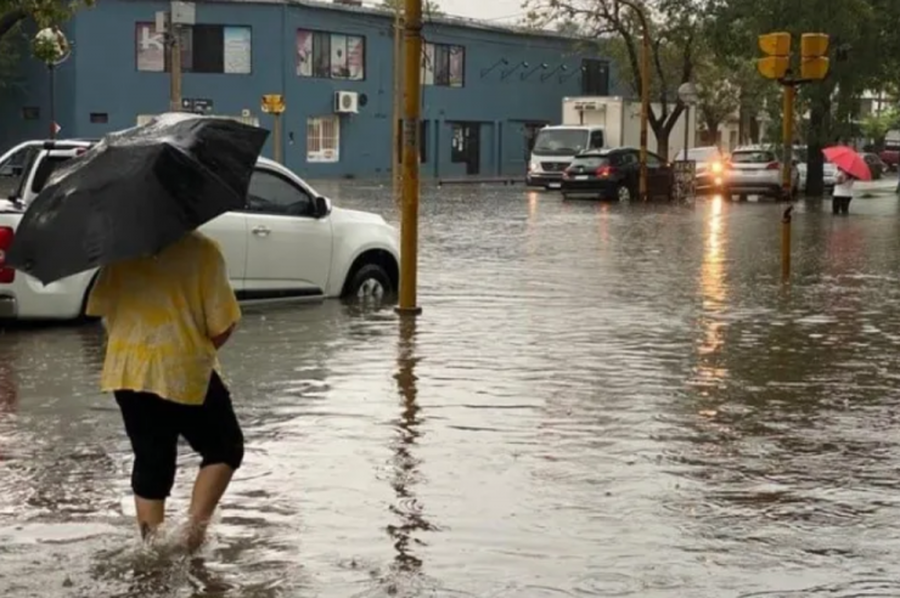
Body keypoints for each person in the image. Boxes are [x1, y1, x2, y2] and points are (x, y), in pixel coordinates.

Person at [86, 231, 243, 551]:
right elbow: (222, 325)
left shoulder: (121, 249)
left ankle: (151, 552)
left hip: (127, 369)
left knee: (151, 460)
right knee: (225, 446)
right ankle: (193, 535)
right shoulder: (204, 250)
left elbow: (105, 308)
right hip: (180, 367)